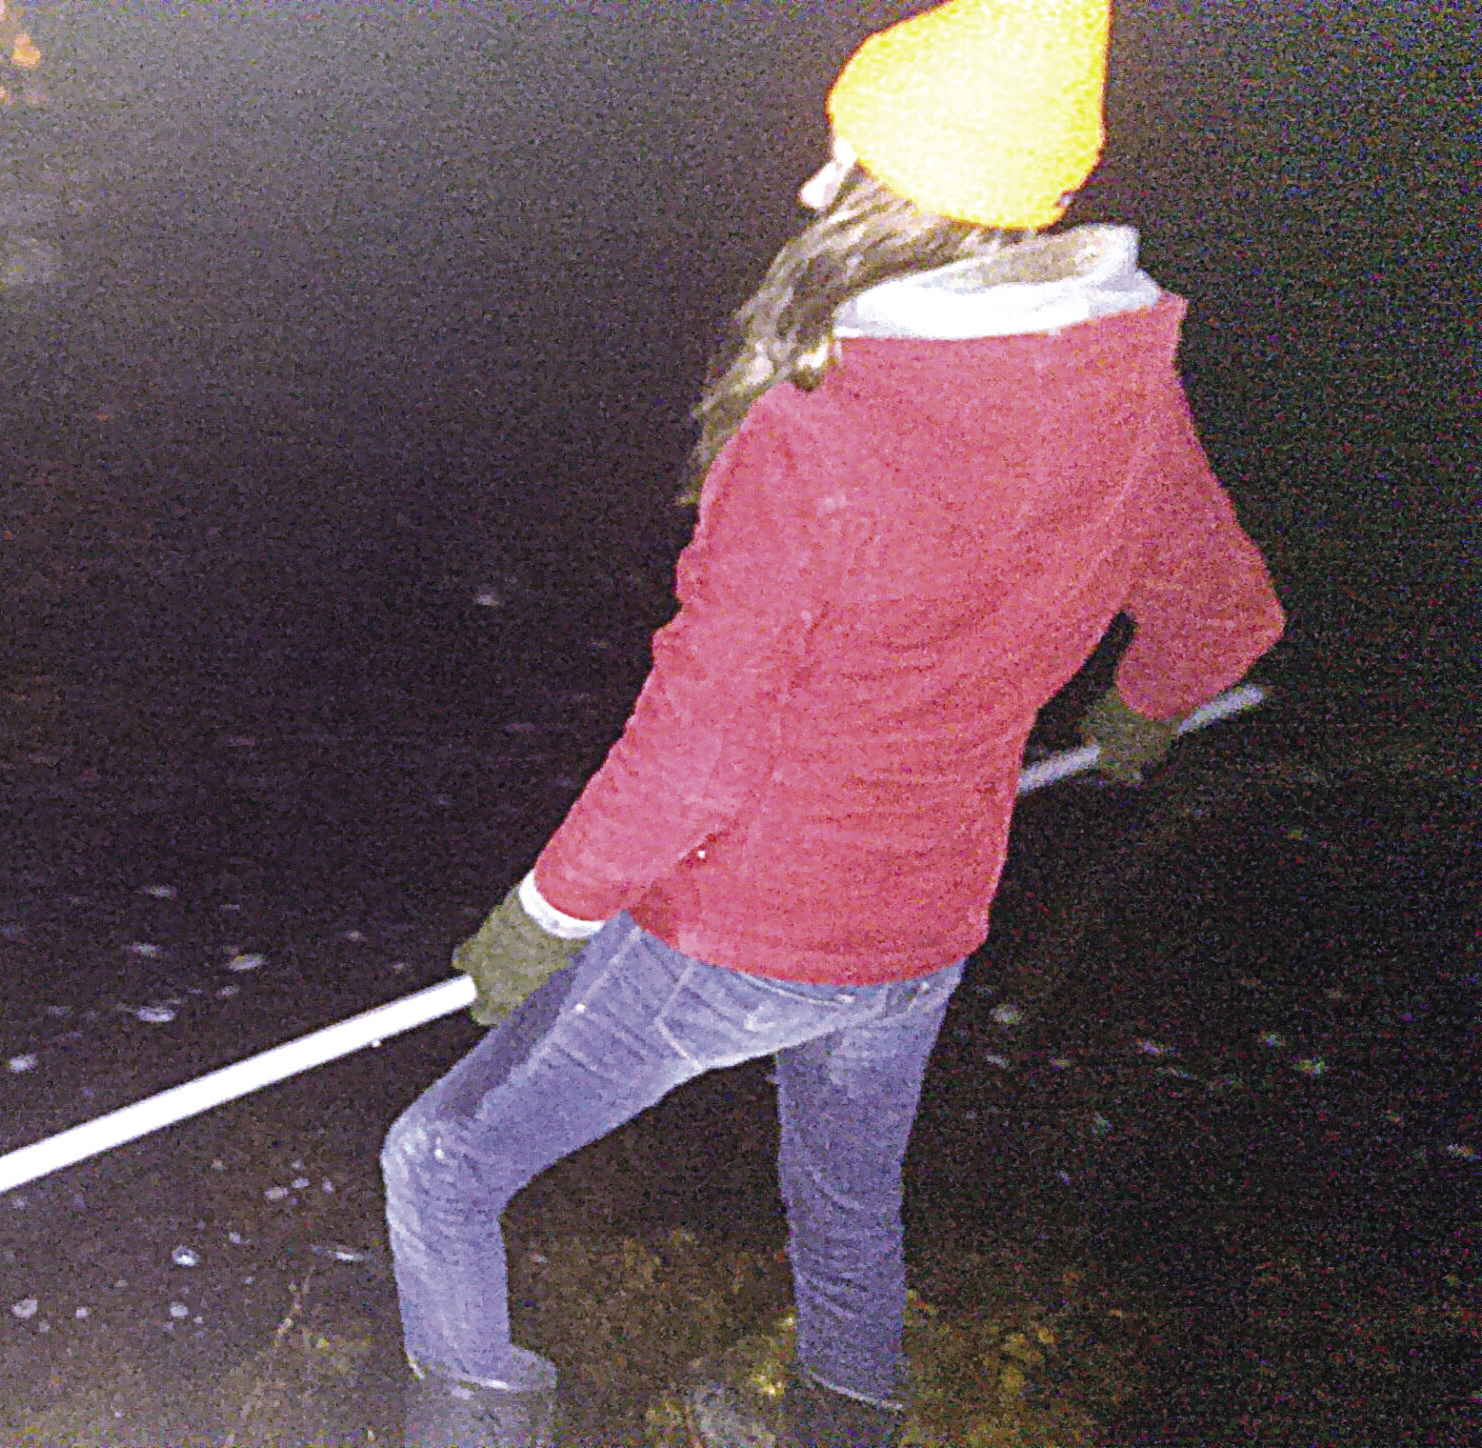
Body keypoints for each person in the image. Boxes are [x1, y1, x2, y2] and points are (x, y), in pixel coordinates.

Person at [380, 2, 1284, 1445]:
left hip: (735, 935)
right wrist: (1143, 712)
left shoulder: (822, 429)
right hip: (924, 933)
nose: (812, 191)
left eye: (846, 163)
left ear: (918, 199)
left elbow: (699, 746)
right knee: (848, 1218)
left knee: (436, 1162)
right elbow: (1226, 613)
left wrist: (547, 915)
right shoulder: (1124, 383)